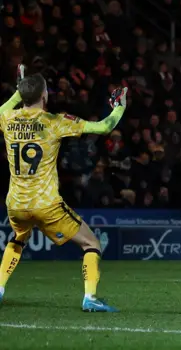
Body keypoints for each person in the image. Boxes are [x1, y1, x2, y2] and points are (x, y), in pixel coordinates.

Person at [0, 73, 128, 312]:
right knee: (91, 243)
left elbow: (6, 106)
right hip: (45, 204)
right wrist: (119, 107)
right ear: (43, 95)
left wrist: (19, 91)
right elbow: (103, 127)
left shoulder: (7, 118)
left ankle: (0, 288)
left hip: (15, 204)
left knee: (18, 239)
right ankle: (90, 297)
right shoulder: (54, 121)